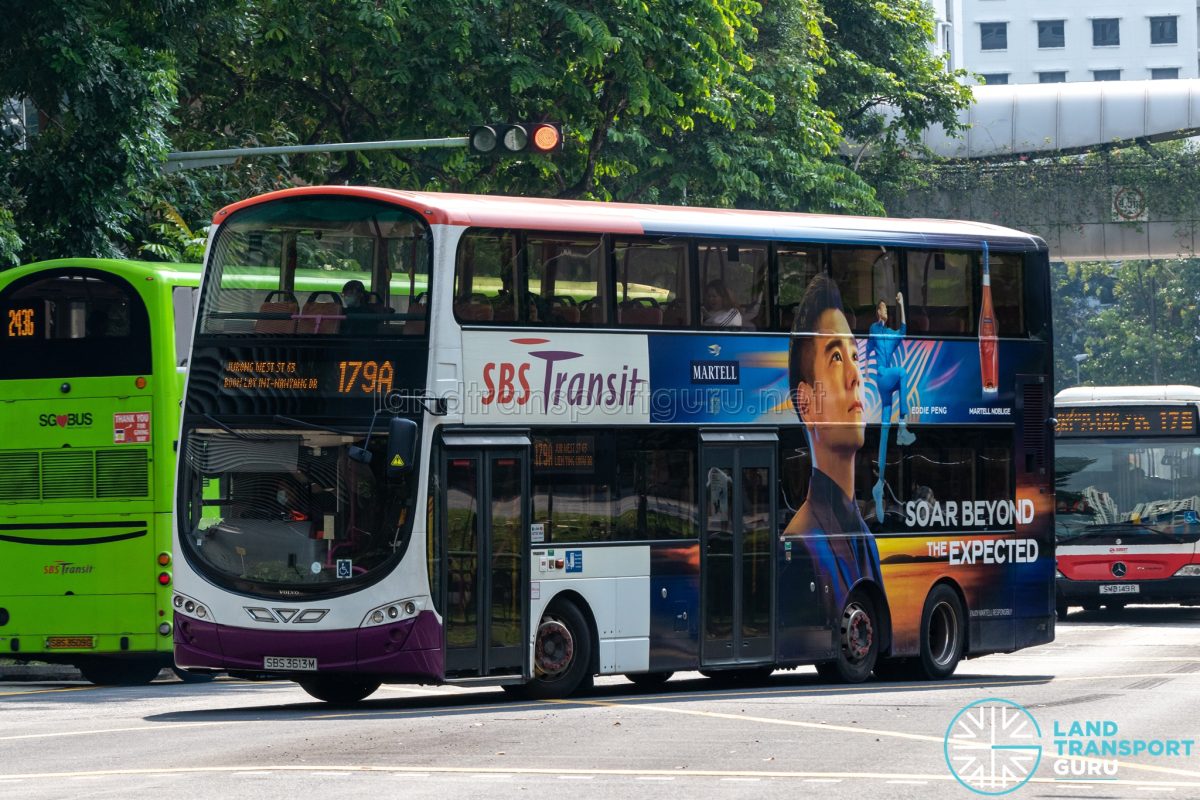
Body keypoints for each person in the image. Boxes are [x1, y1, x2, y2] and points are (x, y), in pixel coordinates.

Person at [784, 273, 882, 627]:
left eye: (855, 354)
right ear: (807, 402)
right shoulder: (801, 544)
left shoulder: (864, 536)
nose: (856, 375)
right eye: (837, 357)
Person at [867, 292, 915, 522]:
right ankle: (903, 426)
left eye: (887, 310)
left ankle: (879, 484)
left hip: (885, 385)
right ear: (878, 312)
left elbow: (904, 330)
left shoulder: (891, 334)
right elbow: (867, 351)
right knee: (903, 372)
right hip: (882, 377)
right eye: (883, 309)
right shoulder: (875, 329)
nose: (885, 312)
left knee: (885, 430)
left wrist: (902, 305)